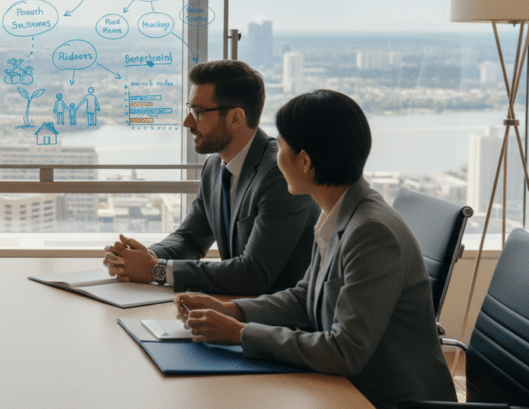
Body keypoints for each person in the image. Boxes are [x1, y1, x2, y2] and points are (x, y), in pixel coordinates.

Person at [177, 90, 456, 408]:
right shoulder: (339, 212)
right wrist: (232, 311)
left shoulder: (370, 232)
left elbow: (343, 352)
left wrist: (241, 333)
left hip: (383, 399)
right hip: (346, 387)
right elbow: (304, 297)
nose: (275, 156)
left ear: (305, 161)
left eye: (280, 146)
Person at [104, 60, 319, 295]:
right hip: (237, 310)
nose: (187, 122)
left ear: (236, 118)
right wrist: (142, 257)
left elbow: (253, 275)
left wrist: (158, 270)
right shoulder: (215, 166)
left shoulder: (279, 175)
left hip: (283, 321)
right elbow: (190, 239)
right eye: (190, 109)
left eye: (198, 112)